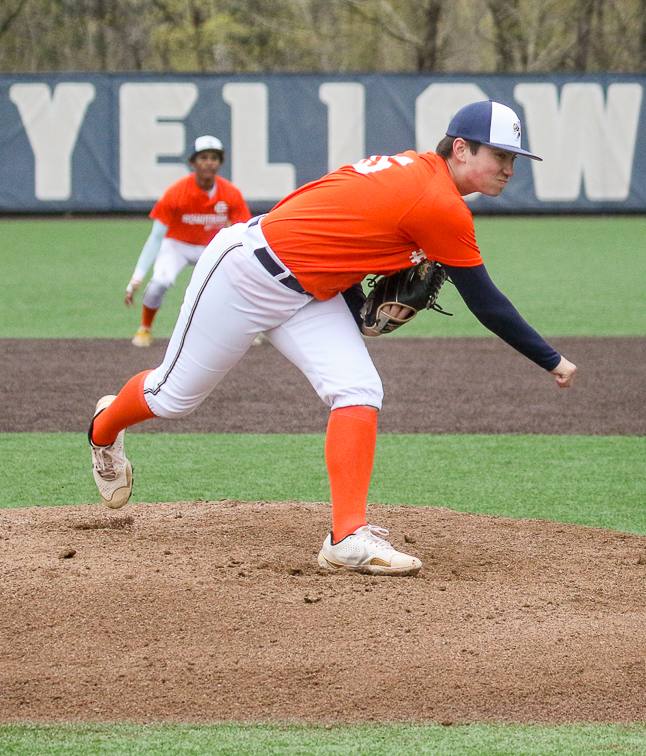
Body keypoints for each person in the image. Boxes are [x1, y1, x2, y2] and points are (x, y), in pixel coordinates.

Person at [86, 100, 578, 576]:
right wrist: (551, 359)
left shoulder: (411, 169)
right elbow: (486, 302)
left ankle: (347, 538)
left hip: (308, 291)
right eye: (500, 155)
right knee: (172, 397)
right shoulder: (438, 203)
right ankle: (104, 430)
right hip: (244, 275)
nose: (509, 168)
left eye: (514, 159)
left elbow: (340, 236)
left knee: (358, 389)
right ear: (462, 149)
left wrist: (359, 312)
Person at [125, 136, 251, 346]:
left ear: (221, 163)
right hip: (178, 245)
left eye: (214, 158)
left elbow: (243, 234)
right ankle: (145, 328)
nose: (209, 163)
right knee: (159, 284)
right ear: (192, 162)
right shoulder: (177, 192)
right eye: (203, 157)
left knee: (239, 285)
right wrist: (137, 277)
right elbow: (156, 237)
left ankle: (244, 332)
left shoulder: (231, 193)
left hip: (213, 247)